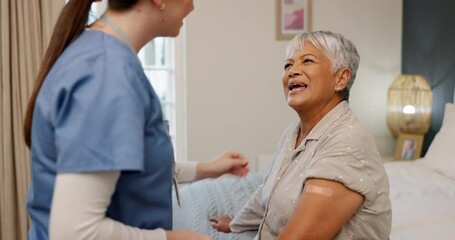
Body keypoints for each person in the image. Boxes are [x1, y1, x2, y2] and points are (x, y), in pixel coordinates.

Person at [23, 0, 249, 239]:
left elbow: (129, 172)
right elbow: (75, 232)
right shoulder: (106, 73)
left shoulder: (104, 57)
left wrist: (205, 169)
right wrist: (175, 238)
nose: (192, 6)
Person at [210, 31, 392, 239]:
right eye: (288, 65)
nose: (293, 71)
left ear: (341, 79)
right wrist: (236, 224)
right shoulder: (292, 133)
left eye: (307, 61)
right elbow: (271, 190)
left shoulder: (348, 142)